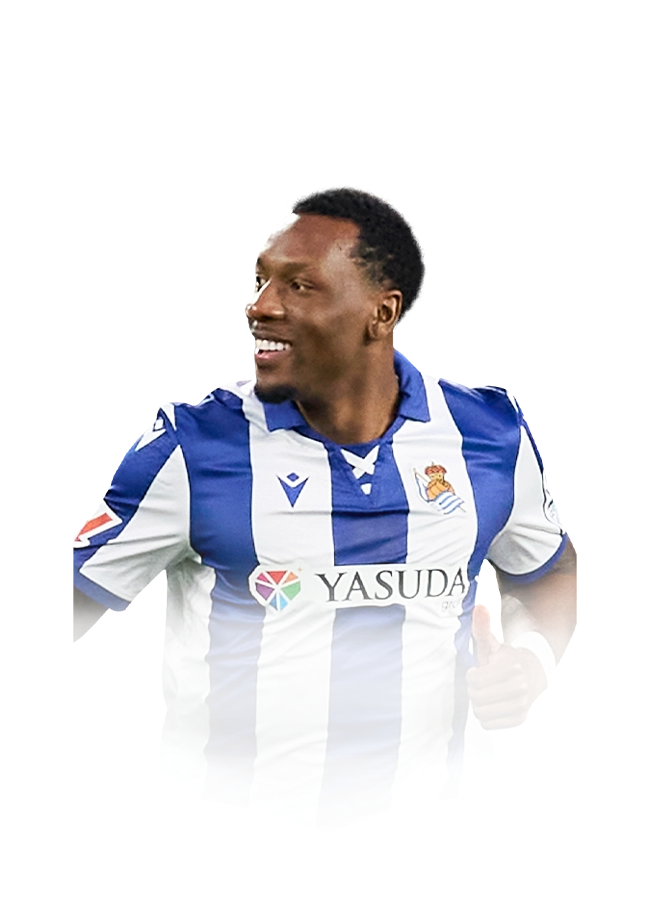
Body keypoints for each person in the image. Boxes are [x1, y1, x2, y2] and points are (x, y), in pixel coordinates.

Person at [72, 186, 576, 831]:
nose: (260, 306)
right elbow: (60, 600)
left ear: (382, 313)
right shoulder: (191, 449)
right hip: (230, 818)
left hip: (418, 814)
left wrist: (532, 660)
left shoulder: (490, 435)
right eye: (262, 281)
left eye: (299, 286)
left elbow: (544, 573)